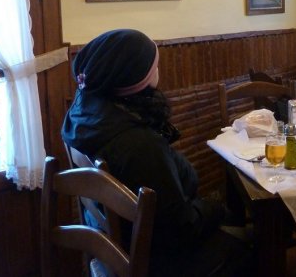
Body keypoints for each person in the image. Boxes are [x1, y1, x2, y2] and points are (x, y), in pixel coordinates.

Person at [62, 29, 252, 277]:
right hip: (154, 258)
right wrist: (214, 208)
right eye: (154, 65)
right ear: (134, 76)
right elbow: (180, 230)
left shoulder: (83, 113)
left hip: (119, 238)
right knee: (251, 243)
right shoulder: (139, 145)